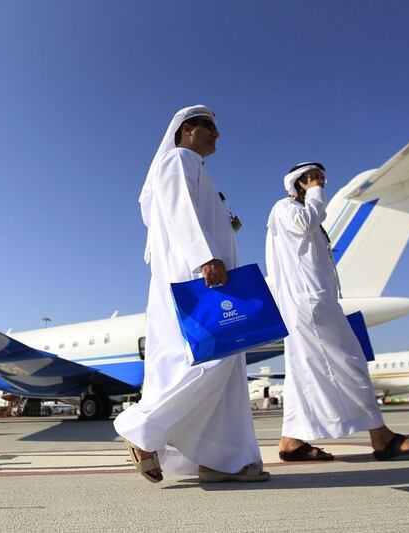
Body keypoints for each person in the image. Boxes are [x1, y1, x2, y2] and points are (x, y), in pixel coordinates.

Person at [114, 105, 269, 484]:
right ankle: (141, 428)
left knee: (227, 370)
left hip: (215, 279)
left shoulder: (200, 170)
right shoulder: (177, 160)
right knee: (211, 360)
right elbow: (181, 212)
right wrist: (205, 258)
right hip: (196, 279)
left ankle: (220, 460)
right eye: (209, 127)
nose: (217, 135)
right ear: (186, 130)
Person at [265, 162, 409, 461]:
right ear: (298, 183)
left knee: (304, 372)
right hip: (310, 304)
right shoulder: (285, 208)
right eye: (311, 178)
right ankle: (381, 438)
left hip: (313, 302)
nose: (319, 182)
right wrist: (316, 192)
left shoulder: (307, 214)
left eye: (320, 178)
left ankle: (291, 441)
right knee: (350, 361)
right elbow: (305, 221)